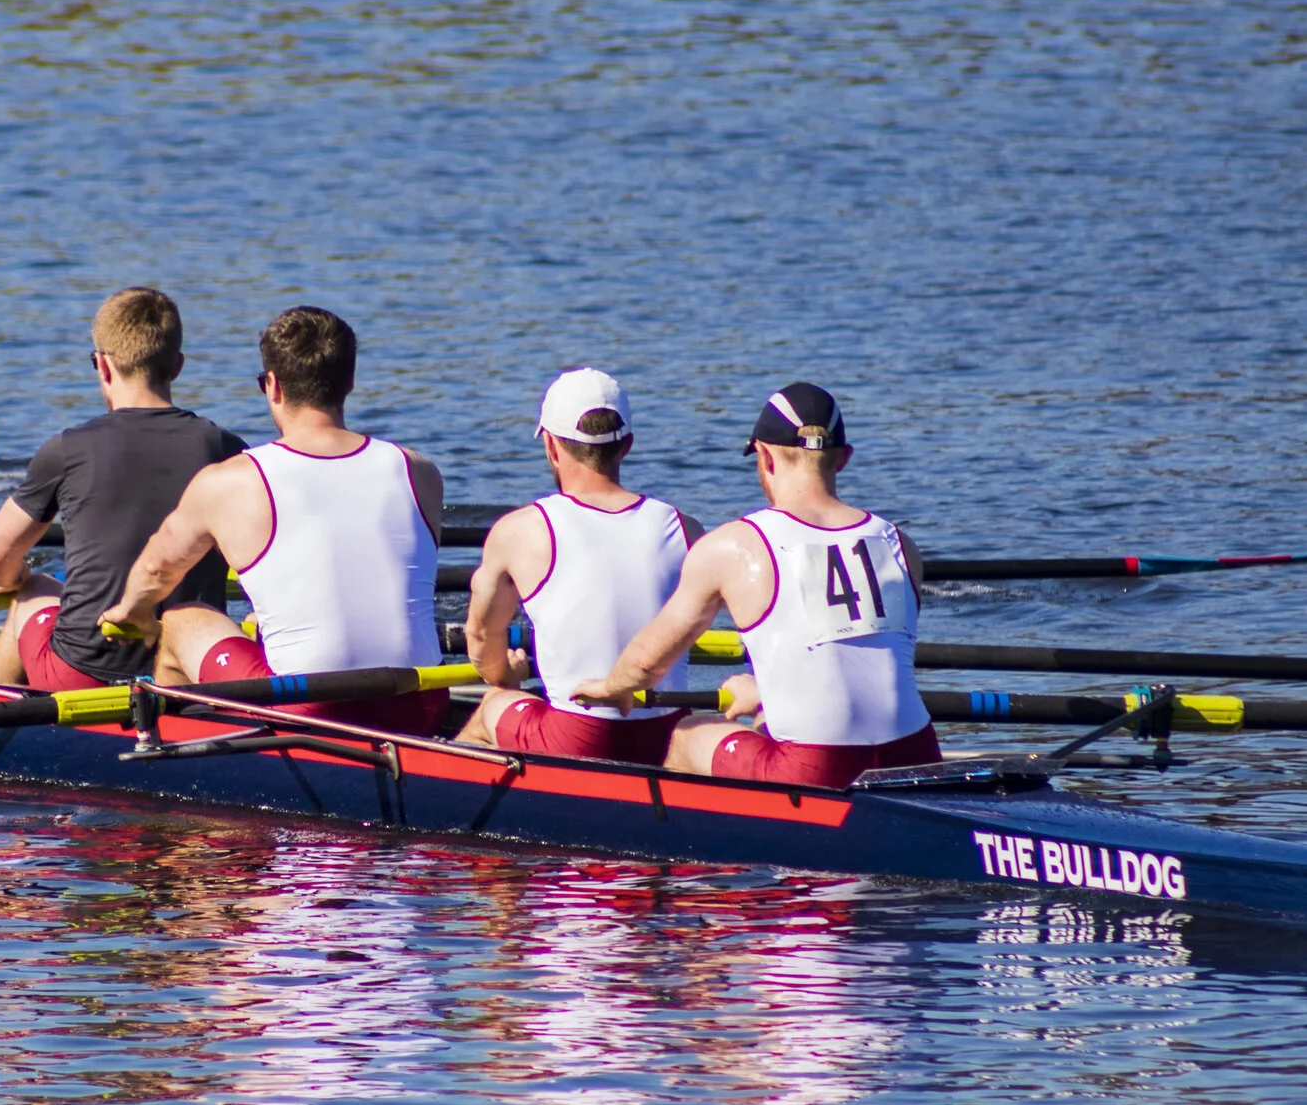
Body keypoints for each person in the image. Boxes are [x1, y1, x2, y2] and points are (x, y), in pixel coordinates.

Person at [98, 306, 452, 735]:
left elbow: (157, 569)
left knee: (181, 619)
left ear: (273, 386)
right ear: (350, 382)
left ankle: (177, 752)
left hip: (310, 710)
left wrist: (131, 613)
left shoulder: (229, 481)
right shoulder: (419, 471)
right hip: (422, 702)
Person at [570, 383, 940, 787]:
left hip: (816, 766)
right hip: (916, 753)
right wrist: (763, 693)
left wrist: (611, 687)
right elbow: (851, 658)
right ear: (844, 459)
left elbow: (645, 663)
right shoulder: (901, 545)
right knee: (769, 717)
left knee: (684, 737)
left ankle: (693, 846)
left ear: (764, 456)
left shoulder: (733, 546)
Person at [0, 287, 243, 689]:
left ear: (102, 366)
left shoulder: (67, 449)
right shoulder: (229, 450)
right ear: (178, 366)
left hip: (83, 671)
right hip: (185, 670)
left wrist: (9, 581)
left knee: (37, 587)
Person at [455, 368, 704, 763]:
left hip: (578, 738)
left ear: (551, 446)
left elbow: (482, 639)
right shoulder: (686, 528)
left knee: (492, 706)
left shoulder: (521, 530)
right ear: (627, 446)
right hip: (667, 735)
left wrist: (507, 680)